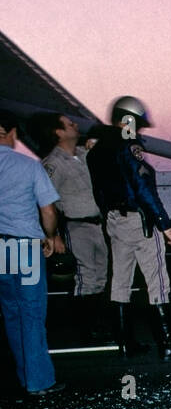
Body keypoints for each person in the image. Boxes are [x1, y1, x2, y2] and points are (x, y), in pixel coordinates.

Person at [86, 96, 171, 359]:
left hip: (114, 220)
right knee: (157, 281)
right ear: (130, 120)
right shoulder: (129, 145)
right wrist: (165, 225)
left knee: (120, 282)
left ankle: (126, 343)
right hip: (139, 221)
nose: (139, 130)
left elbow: (98, 192)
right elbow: (143, 188)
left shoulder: (96, 151)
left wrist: (110, 216)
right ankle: (167, 344)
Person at [0, 110, 66, 396]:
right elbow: (48, 209)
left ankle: (24, 374)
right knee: (32, 312)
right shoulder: (28, 166)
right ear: (12, 133)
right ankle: (38, 381)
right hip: (25, 247)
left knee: (11, 312)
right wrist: (50, 236)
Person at [32, 113, 109, 341]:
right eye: (69, 124)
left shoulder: (85, 155)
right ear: (58, 132)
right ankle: (87, 328)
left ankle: (97, 324)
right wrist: (53, 235)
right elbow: (45, 201)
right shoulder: (52, 164)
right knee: (86, 276)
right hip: (76, 226)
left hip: (97, 224)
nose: (75, 125)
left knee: (100, 276)